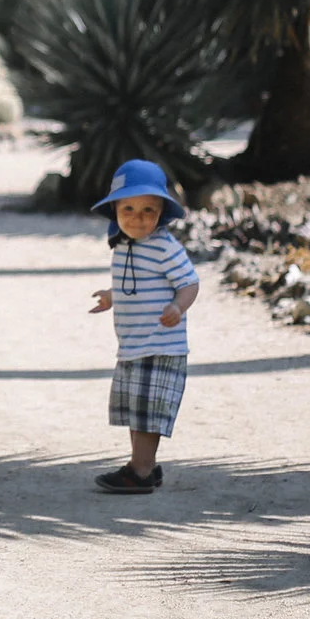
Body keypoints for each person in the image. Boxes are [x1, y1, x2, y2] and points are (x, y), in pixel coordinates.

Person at [85, 158, 199, 494]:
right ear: (115, 210)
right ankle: (144, 464)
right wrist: (112, 296)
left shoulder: (164, 246)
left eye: (149, 210)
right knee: (137, 410)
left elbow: (190, 283)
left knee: (149, 412)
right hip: (133, 345)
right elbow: (131, 285)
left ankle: (140, 471)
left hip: (161, 345)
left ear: (161, 212)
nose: (138, 218)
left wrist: (178, 306)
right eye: (129, 209)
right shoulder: (122, 244)